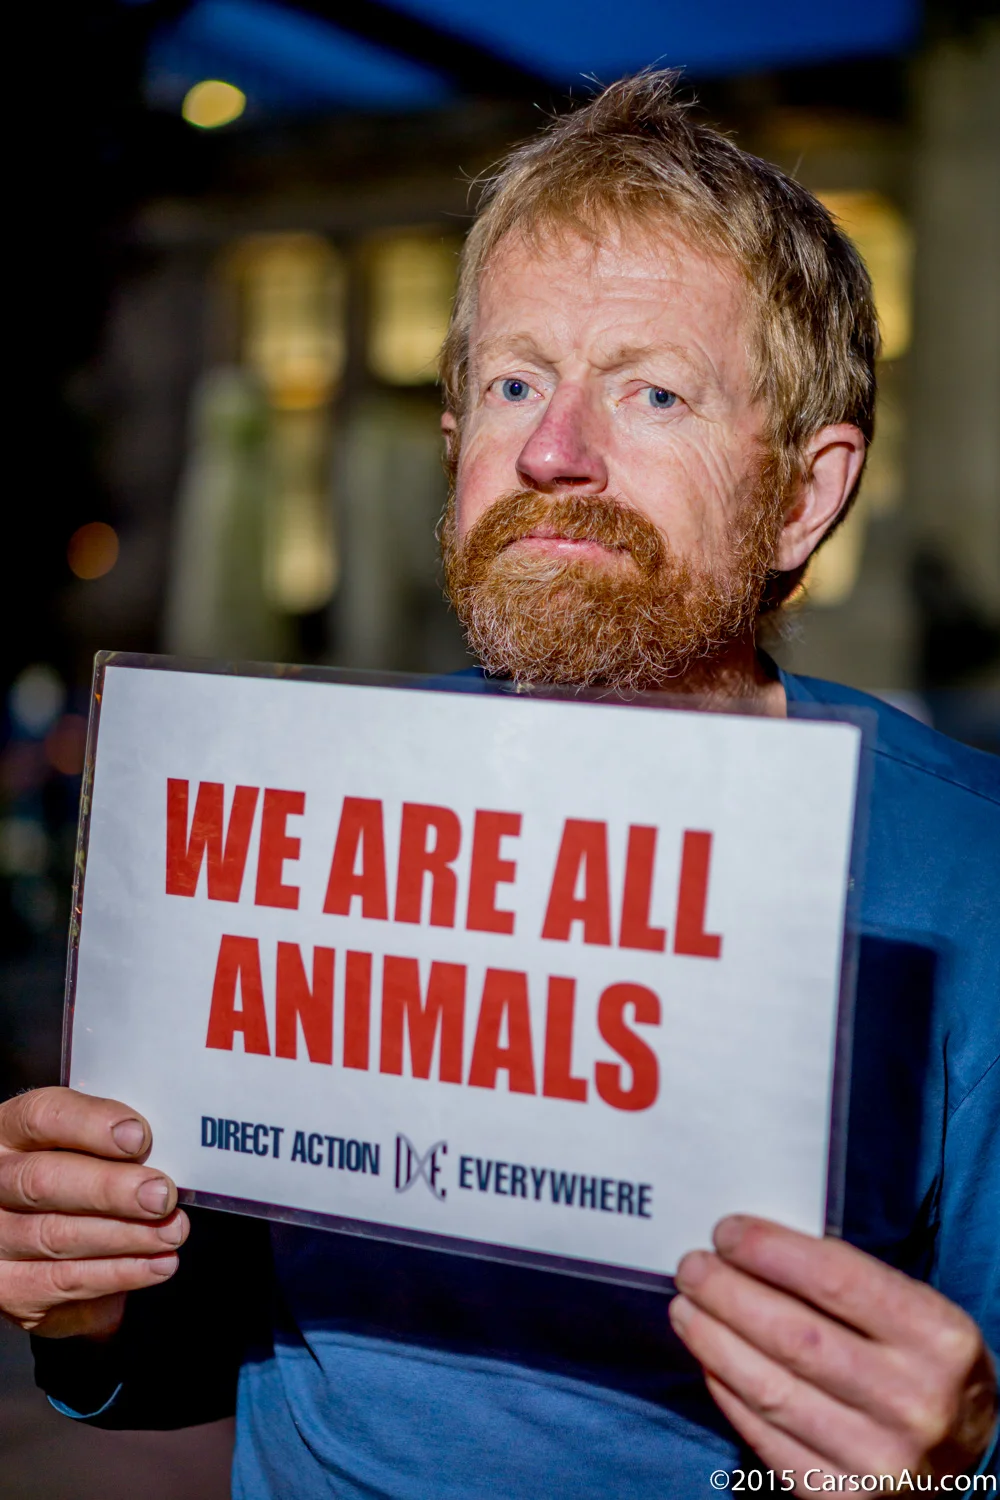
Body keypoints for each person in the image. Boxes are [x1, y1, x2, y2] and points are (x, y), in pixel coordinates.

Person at [2, 72, 998, 1499]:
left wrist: (952, 1465)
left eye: (651, 391)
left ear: (801, 496)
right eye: (513, 382)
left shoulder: (970, 878)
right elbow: (208, 1342)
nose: (552, 453)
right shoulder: (312, 807)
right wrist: (81, 1284)